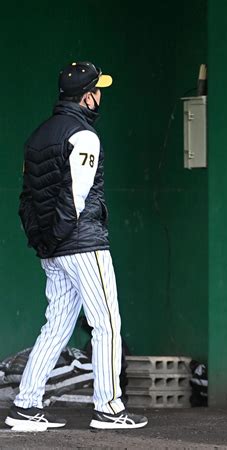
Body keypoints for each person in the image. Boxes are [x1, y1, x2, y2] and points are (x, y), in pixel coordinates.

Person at [6, 61, 148, 431]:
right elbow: (76, 197)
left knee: (56, 327)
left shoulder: (37, 135)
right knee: (107, 324)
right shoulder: (84, 136)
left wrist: (42, 240)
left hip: (52, 248)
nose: (100, 95)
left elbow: (26, 199)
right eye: (97, 89)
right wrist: (58, 237)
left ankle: (25, 406)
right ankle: (109, 409)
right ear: (87, 96)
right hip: (82, 245)